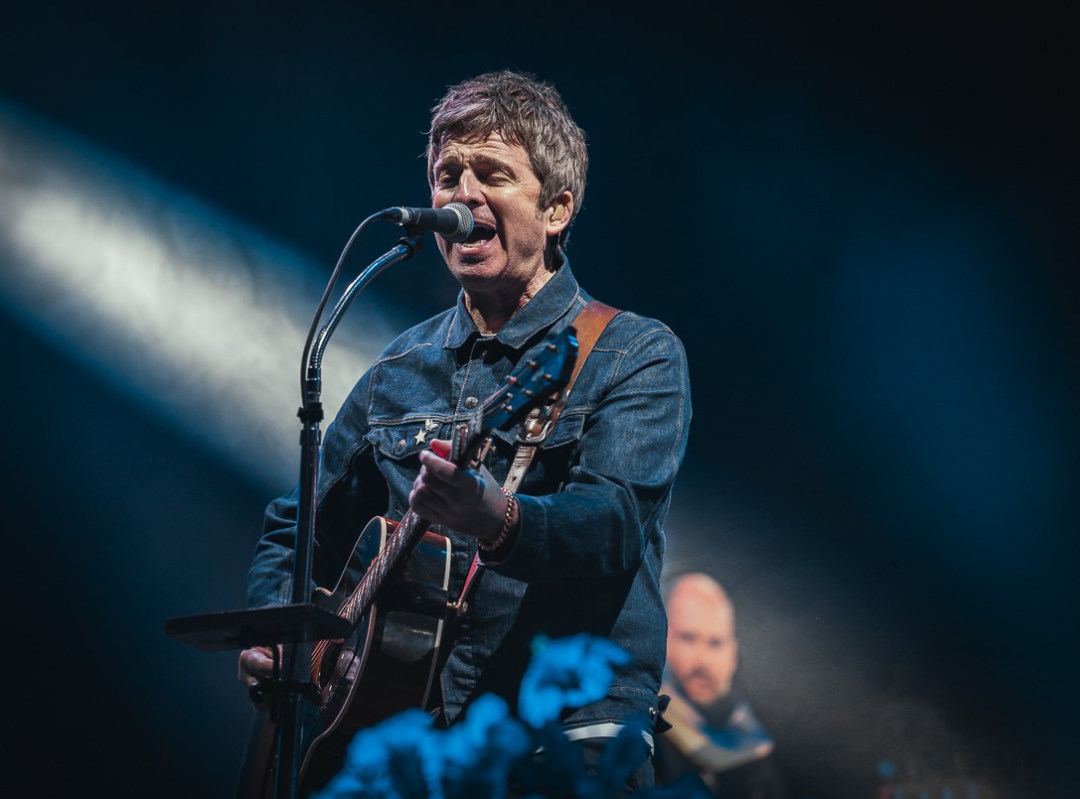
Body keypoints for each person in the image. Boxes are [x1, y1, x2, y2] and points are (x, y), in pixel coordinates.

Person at [238, 69, 691, 795]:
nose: (461, 194)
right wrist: (275, 631)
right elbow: (295, 529)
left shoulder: (633, 352)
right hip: (408, 747)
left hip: (563, 744)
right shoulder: (399, 368)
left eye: (492, 173)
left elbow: (612, 528)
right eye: (447, 174)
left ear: (557, 208)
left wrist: (497, 516)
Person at [654, 572, 789, 798]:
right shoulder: (640, 723)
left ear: (733, 655)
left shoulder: (757, 735)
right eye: (688, 638)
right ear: (662, 638)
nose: (702, 660)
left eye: (715, 643)